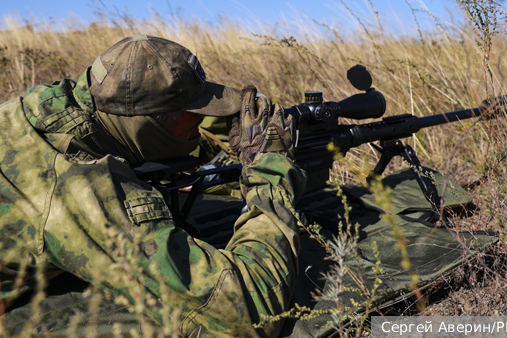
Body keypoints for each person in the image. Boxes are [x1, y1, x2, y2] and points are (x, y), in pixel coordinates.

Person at [0, 35, 306, 337]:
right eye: (194, 119)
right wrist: (270, 169)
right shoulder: (79, 186)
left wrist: (233, 119)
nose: (199, 126)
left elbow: (153, 116)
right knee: (167, 318)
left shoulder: (64, 103)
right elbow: (245, 311)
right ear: (148, 127)